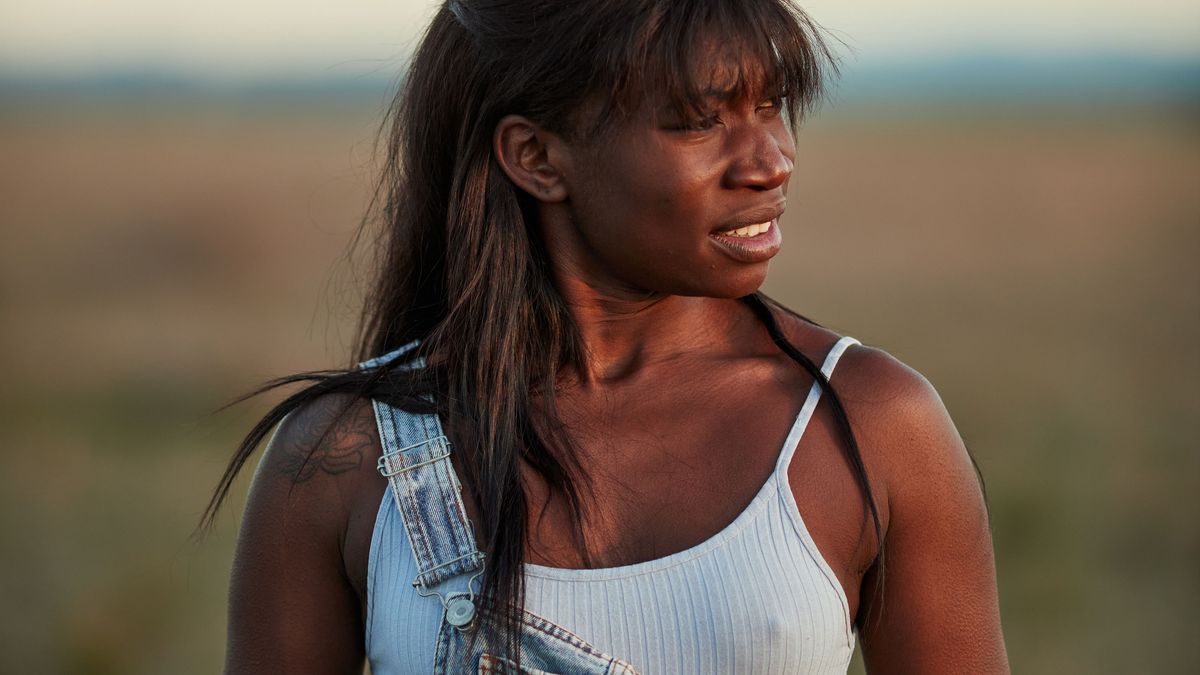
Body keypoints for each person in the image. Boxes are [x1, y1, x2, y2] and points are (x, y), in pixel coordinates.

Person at [204, 0, 1009, 673]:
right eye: (700, 120)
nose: (771, 159)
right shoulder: (345, 461)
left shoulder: (869, 427)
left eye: (770, 106)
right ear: (537, 157)